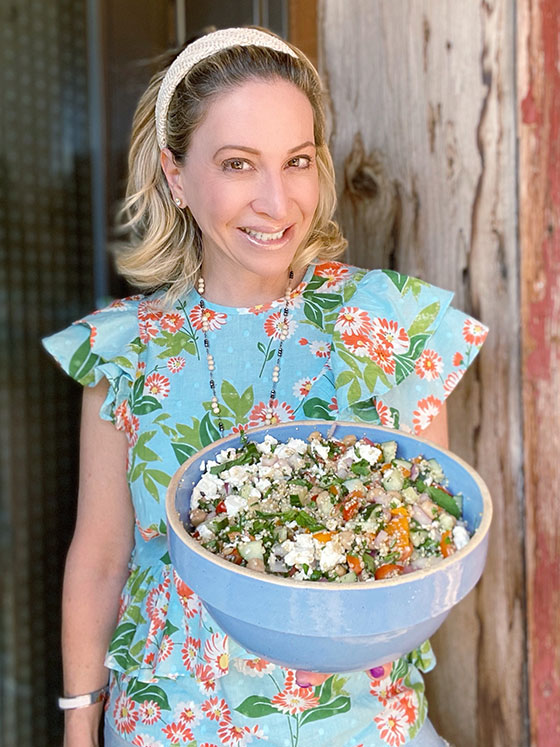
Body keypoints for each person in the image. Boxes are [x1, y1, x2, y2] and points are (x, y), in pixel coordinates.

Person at [43, 26, 487, 747]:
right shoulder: (127, 349)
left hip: (358, 725)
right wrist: (78, 724)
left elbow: (431, 551)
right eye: (239, 164)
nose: (276, 201)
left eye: (298, 161)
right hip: (168, 722)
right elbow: (99, 557)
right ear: (176, 175)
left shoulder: (387, 328)